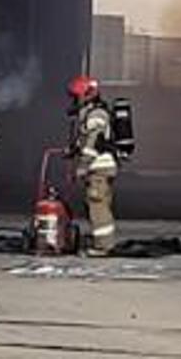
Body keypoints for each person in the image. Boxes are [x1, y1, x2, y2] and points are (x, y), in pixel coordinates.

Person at [69, 75, 119, 257]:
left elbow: (93, 141)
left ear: (87, 95)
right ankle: (102, 243)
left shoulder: (96, 114)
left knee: (97, 205)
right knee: (97, 204)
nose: (75, 100)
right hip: (100, 167)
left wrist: (83, 165)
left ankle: (103, 246)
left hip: (99, 167)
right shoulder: (92, 114)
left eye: (76, 96)